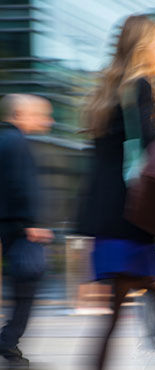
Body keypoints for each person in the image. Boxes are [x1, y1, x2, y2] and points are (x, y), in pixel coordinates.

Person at [78, 14, 155, 369]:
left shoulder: (110, 92)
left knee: (117, 315)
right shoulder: (139, 87)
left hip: (112, 221)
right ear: (145, 47)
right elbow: (153, 149)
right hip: (127, 223)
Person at [0, 94, 54, 366]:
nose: (48, 120)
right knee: (26, 288)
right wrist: (32, 224)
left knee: (20, 288)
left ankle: (8, 340)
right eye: (40, 114)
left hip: (11, 227)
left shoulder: (6, 140)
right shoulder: (17, 142)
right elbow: (21, 186)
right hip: (21, 229)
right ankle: (8, 341)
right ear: (19, 114)